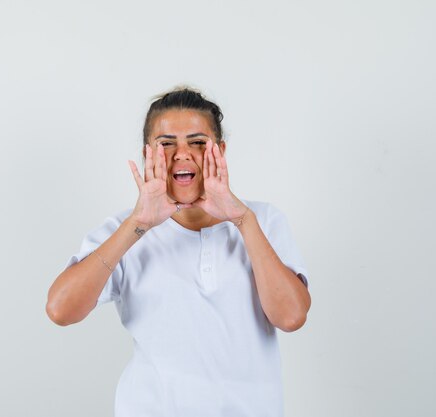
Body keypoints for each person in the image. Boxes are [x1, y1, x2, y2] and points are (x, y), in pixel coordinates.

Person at [46, 87, 311, 417]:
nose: (181, 153)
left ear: (220, 151)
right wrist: (138, 224)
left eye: (198, 143)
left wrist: (241, 219)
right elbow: (60, 309)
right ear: (148, 154)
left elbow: (291, 316)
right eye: (166, 143)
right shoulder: (125, 229)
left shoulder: (263, 220)